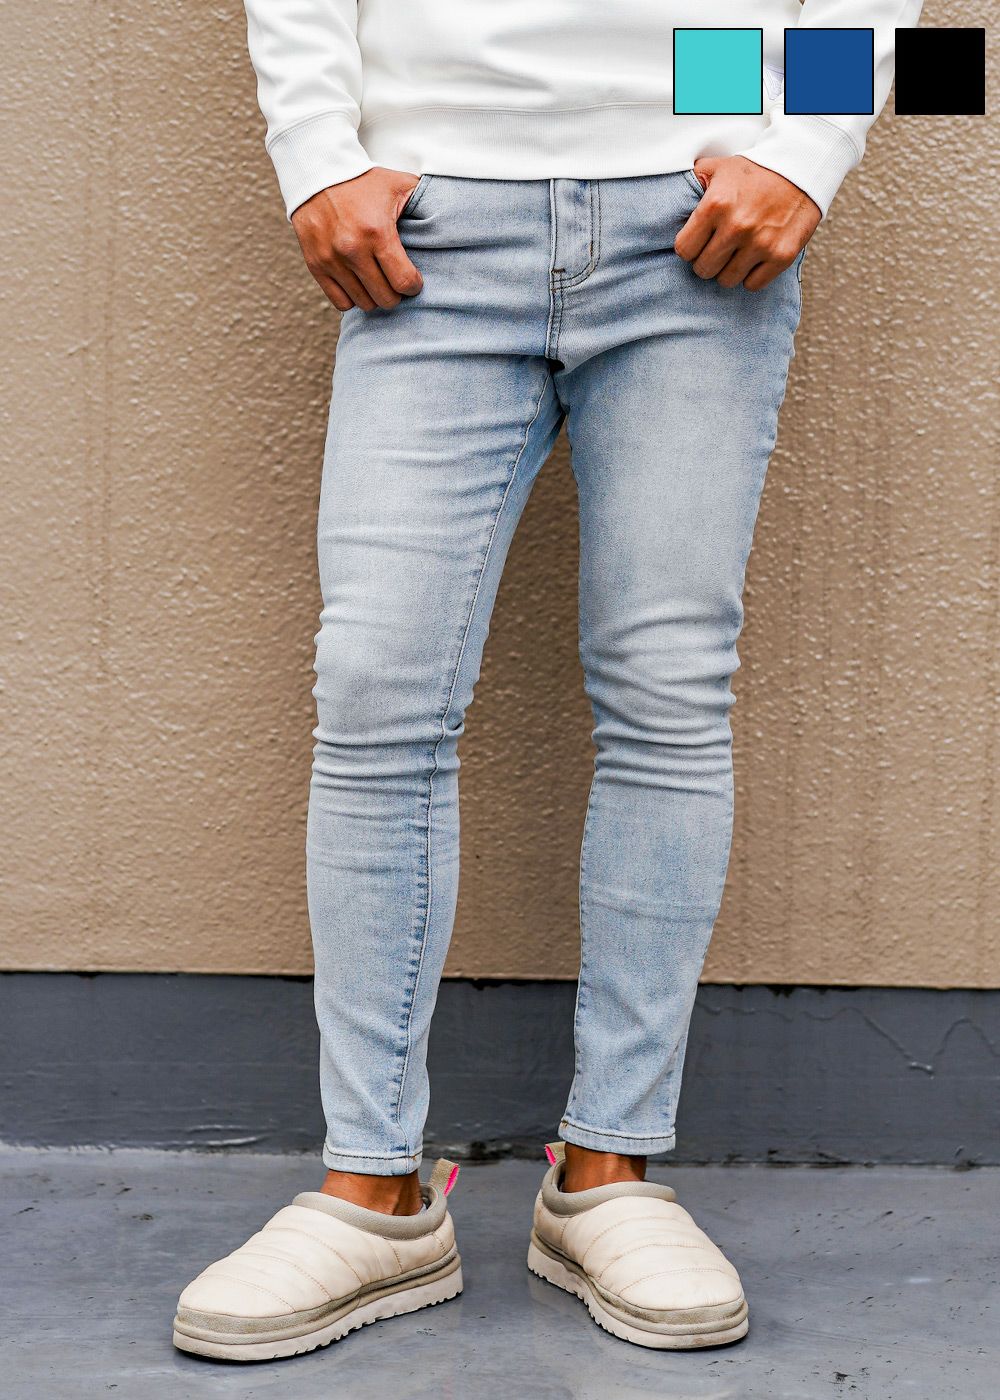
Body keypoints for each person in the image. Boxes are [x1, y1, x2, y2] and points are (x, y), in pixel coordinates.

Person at [173, 0, 922, 1360]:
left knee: (669, 691)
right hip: (431, 218)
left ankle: (609, 1172)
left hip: (697, 212)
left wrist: (807, 149)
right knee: (376, 695)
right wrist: (315, 152)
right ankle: (373, 1193)